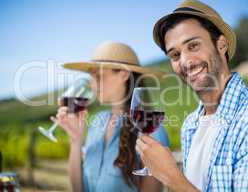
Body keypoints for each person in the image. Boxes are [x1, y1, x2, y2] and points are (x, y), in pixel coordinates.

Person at [135, 0, 248, 192]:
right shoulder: (191, 124)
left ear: (221, 45)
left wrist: (170, 176)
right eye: (175, 55)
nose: (186, 61)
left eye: (193, 46)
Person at [54, 41, 169, 192]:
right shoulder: (97, 122)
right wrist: (75, 141)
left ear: (124, 75)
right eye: (91, 77)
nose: (93, 85)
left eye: (99, 76)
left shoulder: (151, 129)